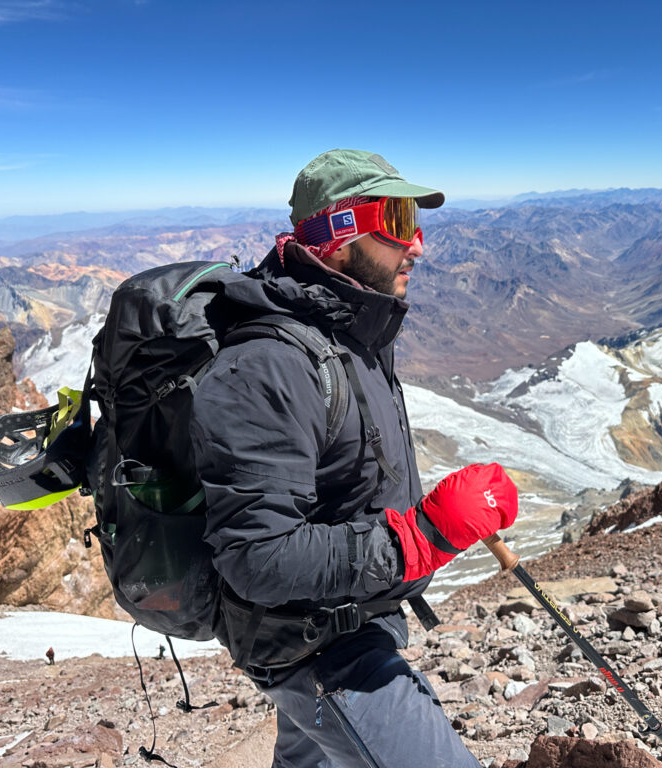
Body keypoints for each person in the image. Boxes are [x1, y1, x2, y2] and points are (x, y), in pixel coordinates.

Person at [189, 149, 519, 768]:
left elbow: (348, 486)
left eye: (415, 221)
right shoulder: (269, 365)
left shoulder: (350, 328)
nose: (416, 245)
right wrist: (420, 538)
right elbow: (255, 556)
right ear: (337, 236)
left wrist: (427, 525)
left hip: (349, 616)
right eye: (396, 220)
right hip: (317, 646)